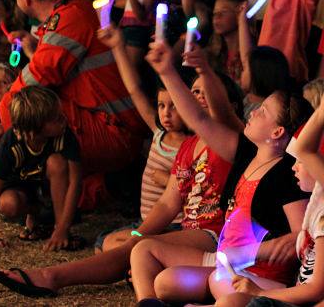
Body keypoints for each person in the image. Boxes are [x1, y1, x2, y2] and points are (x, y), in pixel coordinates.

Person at [0, 42, 245, 299]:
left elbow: (216, 114)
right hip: (189, 231)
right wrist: (139, 232)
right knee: (118, 242)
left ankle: (52, 277)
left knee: (137, 246)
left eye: (204, 92)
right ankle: (139, 269)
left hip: (215, 234)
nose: (198, 96)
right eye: (194, 91)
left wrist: (203, 71)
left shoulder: (233, 139)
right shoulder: (189, 146)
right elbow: (168, 204)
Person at [128, 39, 311, 306]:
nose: (254, 111)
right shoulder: (246, 153)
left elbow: (300, 236)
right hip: (226, 261)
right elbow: (199, 119)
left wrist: (270, 247)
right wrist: (167, 71)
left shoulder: (287, 175)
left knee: (214, 286)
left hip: (258, 274)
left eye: (263, 111)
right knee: (148, 259)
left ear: (277, 132)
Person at [0, 0, 146, 208]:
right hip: (114, 125)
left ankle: (46, 193)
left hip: (115, 133)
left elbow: (28, 88)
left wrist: (3, 111)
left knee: (17, 109)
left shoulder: (68, 20)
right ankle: (92, 189)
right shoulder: (72, 12)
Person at [214, 95, 324, 307]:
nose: (293, 167)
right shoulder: (316, 209)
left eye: (300, 162)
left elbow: (313, 291)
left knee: (237, 301)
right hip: (295, 291)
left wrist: (257, 291)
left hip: (295, 295)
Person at [95, 24, 188, 252]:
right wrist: (118, 46)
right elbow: (135, 89)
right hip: (145, 223)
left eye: (174, 107)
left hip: (174, 227)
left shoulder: (191, 146)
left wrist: (169, 181)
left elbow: (195, 189)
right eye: (161, 106)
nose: (166, 113)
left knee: (117, 247)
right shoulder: (158, 134)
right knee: (103, 243)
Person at [0, 86, 82, 251]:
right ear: (36, 127)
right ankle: (38, 214)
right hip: (21, 192)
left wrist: (63, 229)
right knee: (8, 204)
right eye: (56, 118)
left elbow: (75, 182)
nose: (64, 119)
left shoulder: (64, 135)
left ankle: (57, 224)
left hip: (50, 190)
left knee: (57, 162)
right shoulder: (11, 143)